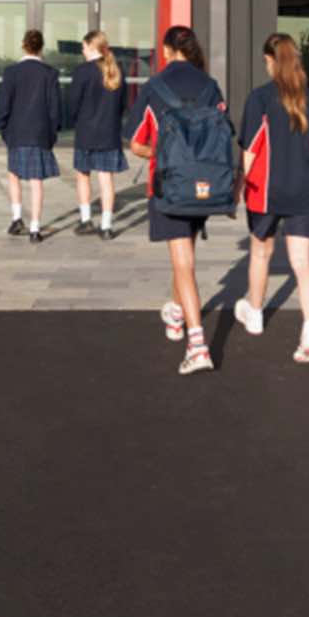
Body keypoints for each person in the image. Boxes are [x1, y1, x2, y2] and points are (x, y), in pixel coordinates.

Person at [125, 24, 229, 375]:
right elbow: (222, 133)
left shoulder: (154, 87)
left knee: (183, 262)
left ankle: (197, 345)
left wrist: (164, 154)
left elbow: (136, 143)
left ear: (168, 50)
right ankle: (175, 311)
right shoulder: (210, 86)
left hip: (168, 185)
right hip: (204, 185)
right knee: (184, 254)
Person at [234, 32, 309, 363]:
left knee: (261, 253)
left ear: (271, 60)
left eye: (266, 61)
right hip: (304, 189)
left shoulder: (259, 98)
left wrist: (238, 187)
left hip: (266, 190)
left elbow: (250, 149)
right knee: (304, 264)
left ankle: (255, 313)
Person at [0, 29, 63, 243]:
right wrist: (53, 132)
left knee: (14, 174)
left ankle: (16, 219)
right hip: (40, 132)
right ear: (41, 48)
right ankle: (34, 228)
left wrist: (1, 127)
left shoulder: (11, 72)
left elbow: (4, 104)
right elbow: (54, 109)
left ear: (24, 45)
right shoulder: (50, 73)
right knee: (36, 180)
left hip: (16, 132)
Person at [68, 28, 130, 240]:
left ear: (91, 46)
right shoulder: (117, 70)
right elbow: (123, 104)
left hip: (86, 133)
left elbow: (73, 103)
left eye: (84, 47)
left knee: (83, 175)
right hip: (109, 133)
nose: (82, 51)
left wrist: (73, 121)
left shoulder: (82, 71)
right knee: (106, 179)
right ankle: (106, 226)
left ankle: (86, 220)